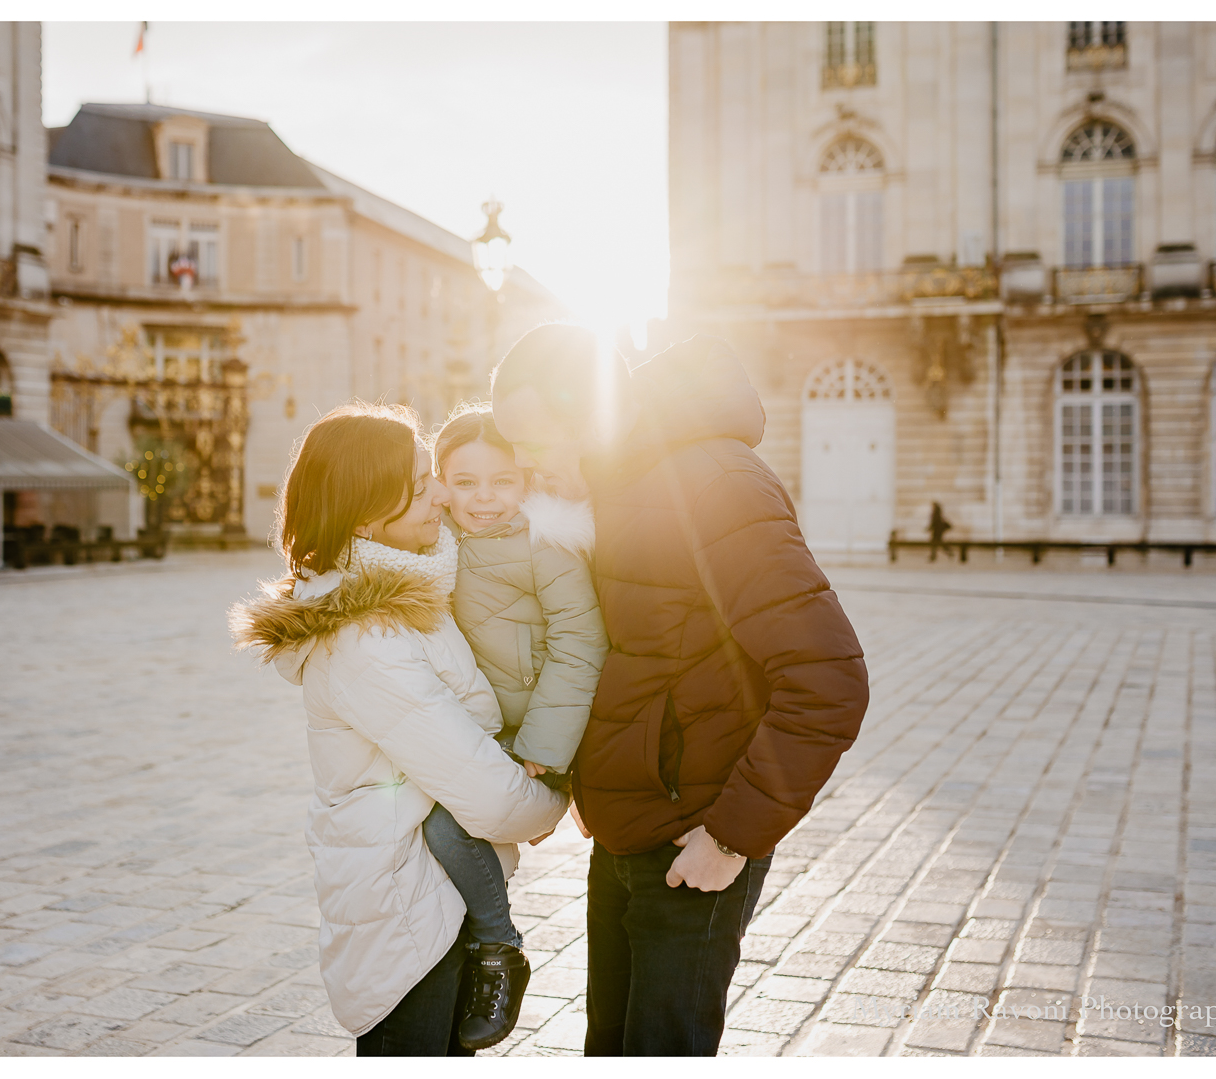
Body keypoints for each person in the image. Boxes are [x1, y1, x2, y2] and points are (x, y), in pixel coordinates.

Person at [489, 324, 871, 1056]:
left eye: (535, 446)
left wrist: (730, 839)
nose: (525, 468)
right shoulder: (618, 485)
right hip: (627, 830)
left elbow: (827, 678)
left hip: (694, 840)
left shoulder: (716, 484)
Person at [229, 402, 567, 1056]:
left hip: (432, 897)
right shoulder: (368, 635)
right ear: (364, 514)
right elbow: (493, 798)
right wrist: (561, 798)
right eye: (419, 486)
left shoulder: (409, 594)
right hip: (409, 919)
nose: (440, 493)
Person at [419, 400, 608, 1048]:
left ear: (525, 481)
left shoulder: (545, 544)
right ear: (439, 480)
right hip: (464, 726)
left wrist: (545, 747)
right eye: (465, 482)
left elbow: (580, 644)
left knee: (447, 824)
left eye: (502, 482)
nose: (484, 499)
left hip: (527, 740)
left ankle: (499, 949)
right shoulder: (430, 542)